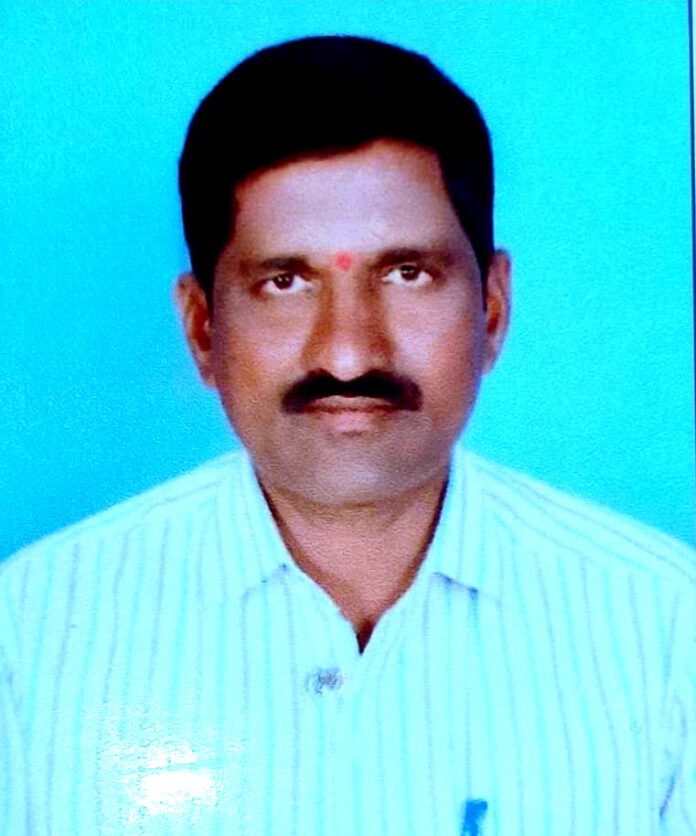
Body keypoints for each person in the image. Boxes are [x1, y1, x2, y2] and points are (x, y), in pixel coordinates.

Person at [1, 35, 693, 836]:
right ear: (201, 329)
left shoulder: (668, 628)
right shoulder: (29, 636)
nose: (348, 353)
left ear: (492, 309)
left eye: (407, 274)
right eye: (284, 282)